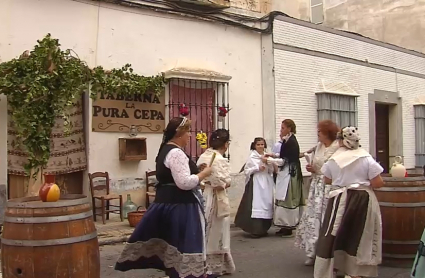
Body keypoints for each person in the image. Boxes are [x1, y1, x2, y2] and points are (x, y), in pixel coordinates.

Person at [115, 117, 213, 278]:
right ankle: (188, 274)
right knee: (183, 241)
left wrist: (196, 171)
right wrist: (204, 174)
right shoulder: (176, 153)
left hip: (169, 202)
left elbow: (175, 177)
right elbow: (184, 183)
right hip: (181, 206)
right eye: (188, 131)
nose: (189, 135)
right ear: (179, 133)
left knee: (172, 241)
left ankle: (176, 271)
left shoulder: (166, 150)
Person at [314, 126, 383, 278]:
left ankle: (337, 267)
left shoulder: (334, 159)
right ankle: (358, 272)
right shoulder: (365, 158)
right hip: (361, 199)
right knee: (359, 234)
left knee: (338, 233)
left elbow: (327, 179)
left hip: (339, 199)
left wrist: (343, 179)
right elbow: (378, 182)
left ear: (340, 141)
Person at [295, 120, 340, 266]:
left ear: (327, 133)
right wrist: (311, 167)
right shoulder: (319, 147)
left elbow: (337, 168)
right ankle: (312, 252)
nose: (318, 134)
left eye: (320, 131)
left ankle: (329, 254)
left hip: (330, 186)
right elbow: (313, 160)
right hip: (317, 186)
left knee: (328, 219)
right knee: (313, 219)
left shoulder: (337, 147)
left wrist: (319, 170)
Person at [196, 129, 236, 277]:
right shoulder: (220, 159)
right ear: (226, 144)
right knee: (218, 231)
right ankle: (215, 266)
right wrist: (226, 183)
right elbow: (223, 182)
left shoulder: (203, 156)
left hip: (203, 194)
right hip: (216, 197)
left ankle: (203, 262)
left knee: (205, 228)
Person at [235, 137, 278, 238]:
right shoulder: (252, 157)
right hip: (257, 182)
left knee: (267, 203)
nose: (260, 146)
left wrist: (269, 163)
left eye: (262, 144)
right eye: (258, 144)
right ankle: (255, 229)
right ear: (254, 145)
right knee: (256, 204)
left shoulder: (267, 156)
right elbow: (246, 170)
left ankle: (264, 228)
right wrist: (257, 168)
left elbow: (272, 170)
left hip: (267, 182)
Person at [270, 119, 305, 237]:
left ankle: (289, 226)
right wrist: (273, 155)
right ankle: (283, 225)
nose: (281, 130)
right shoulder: (287, 141)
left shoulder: (292, 142)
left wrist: (270, 160)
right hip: (286, 173)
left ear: (289, 129)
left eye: (283, 128)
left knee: (288, 199)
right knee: (282, 199)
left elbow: (286, 160)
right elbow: (284, 155)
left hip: (290, 174)